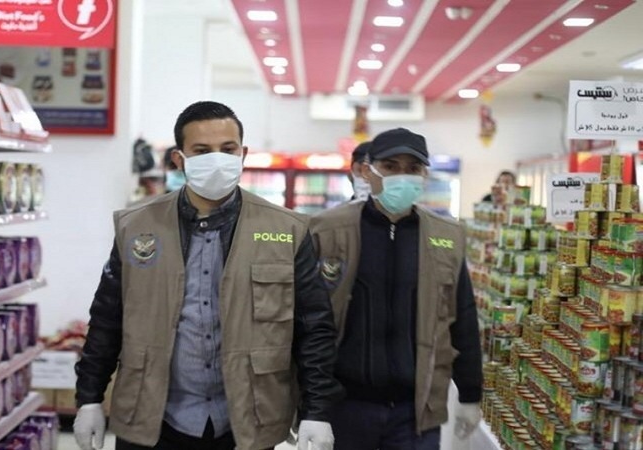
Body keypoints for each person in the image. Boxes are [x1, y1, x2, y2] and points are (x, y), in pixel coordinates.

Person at [73, 101, 343, 450]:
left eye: (227, 149)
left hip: (248, 420)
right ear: (179, 159)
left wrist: (317, 410)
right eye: (202, 151)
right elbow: (107, 318)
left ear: (243, 154)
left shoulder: (288, 229)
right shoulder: (136, 225)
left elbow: (314, 328)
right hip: (151, 417)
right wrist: (90, 398)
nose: (217, 159)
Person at [309, 127, 483, 449]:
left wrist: (471, 393)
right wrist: (311, 407)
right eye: (390, 167)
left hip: (415, 410)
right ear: (367, 171)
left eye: (413, 168)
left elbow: (463, 318)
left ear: (424, 175)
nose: (402, 176)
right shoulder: (327, 230)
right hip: (346, 404)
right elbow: (306, 322)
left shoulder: (445, 236)